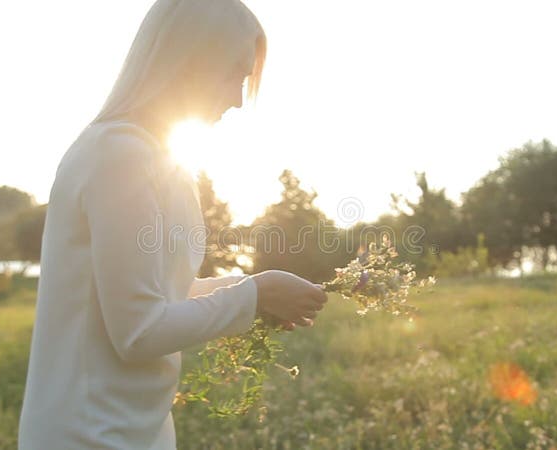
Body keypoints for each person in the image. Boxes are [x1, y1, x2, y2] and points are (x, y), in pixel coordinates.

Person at [17, 0, 327, 448]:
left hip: (139, 426)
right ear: (187, 63)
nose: (238, 99)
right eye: (233, 75)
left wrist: (256, 289)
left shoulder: (163, 163)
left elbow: (160, 296)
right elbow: (140, 332)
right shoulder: (116, 155)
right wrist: (254, 295)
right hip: (86, 431)